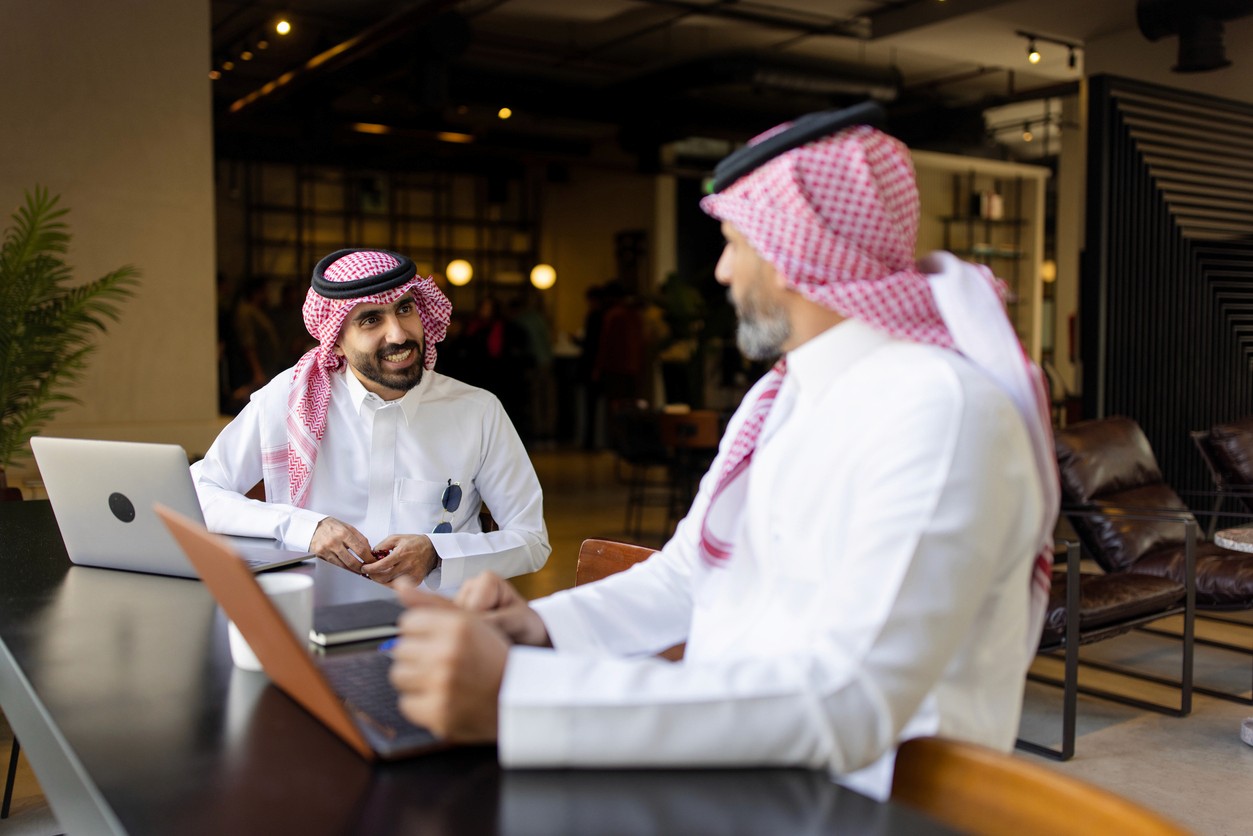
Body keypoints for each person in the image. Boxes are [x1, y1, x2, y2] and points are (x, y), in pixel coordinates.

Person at [385, 103, 1059, 798]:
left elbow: (847, 700)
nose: (722, 272)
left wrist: (519, 695)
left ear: (794, 252)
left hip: (863, 801)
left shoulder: (938, 411)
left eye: (736, 242)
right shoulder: (787, 395)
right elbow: (687, 576)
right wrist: (534, 626)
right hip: (737, 771)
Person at [192, 248, 551, 588]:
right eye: (371, 319)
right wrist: (307, 528)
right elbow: (200, 493)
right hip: (316, 616)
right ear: (334, 342)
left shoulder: (477, 411)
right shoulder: (289, 399)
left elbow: (532, 540)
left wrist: (438, 555)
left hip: (435, 627)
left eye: (405, 309)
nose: (398, 334)